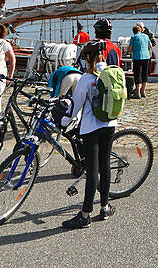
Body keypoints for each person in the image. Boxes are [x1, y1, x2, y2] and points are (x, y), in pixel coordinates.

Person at [61, 41, 117, 229]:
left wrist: (64, 122)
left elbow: (76, 105)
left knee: (92, 170)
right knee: (105, 166)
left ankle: (85, 215)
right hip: (110, 124)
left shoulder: (87, 78)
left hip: (91, 128)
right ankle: (105, 207)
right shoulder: (112, 72)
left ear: (87, 58)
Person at [130, 23, 151, 99]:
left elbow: (130, 48)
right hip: (146, 57)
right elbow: (150, 46)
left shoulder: (134, 37)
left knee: (137, 74)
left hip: (137, 57)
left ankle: (137, 92)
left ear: (133, 31)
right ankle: (143, 91)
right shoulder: (146, 36)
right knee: (144, 74)